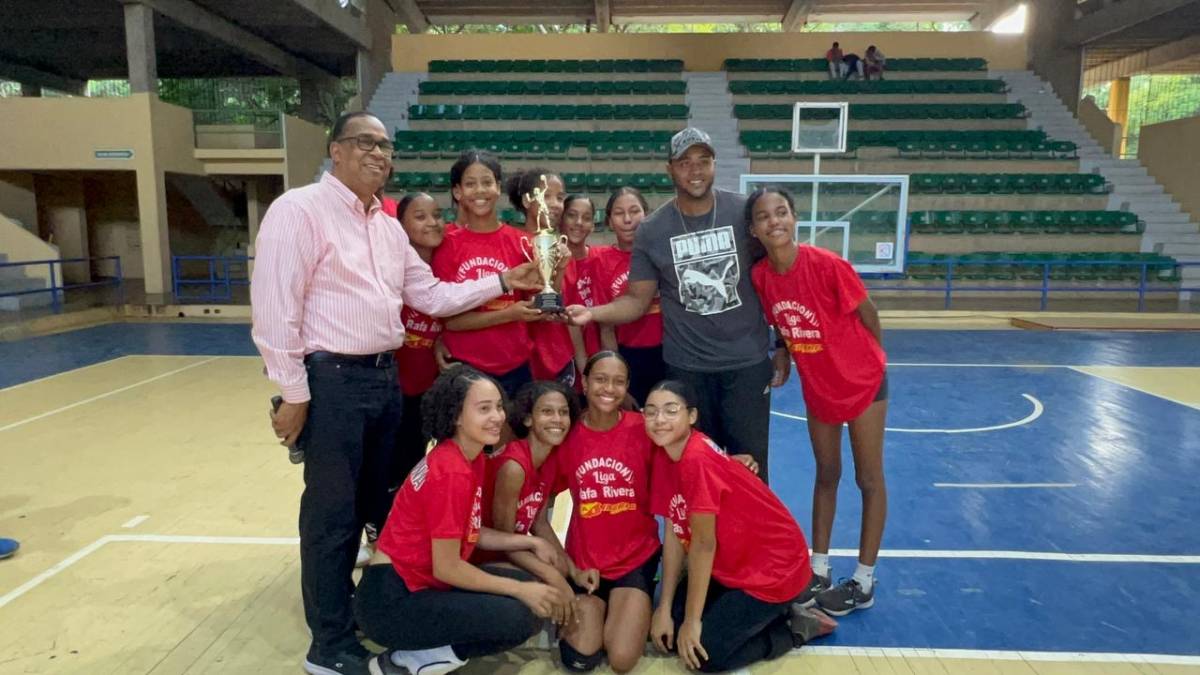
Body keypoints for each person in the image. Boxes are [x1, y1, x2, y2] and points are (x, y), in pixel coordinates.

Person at [250, 113, 542, 675]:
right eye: (366, 143)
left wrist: (505, 281)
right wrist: (293, 392)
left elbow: (430, 294)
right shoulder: (299, 210)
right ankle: (329, 646)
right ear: (336, 150)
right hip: (331, 379)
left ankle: (360, 616)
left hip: (383, 382)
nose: (379, 154)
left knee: (370, 511)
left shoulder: (385, 226)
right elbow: (275, 308)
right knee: (331, 518)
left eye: (386, 146)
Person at [566, 128, 789, 481]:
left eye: (703, 161)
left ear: (715, 165)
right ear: (670, 169)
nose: (695, 170)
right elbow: (637, 300)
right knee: (697, 472)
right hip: (689, 369)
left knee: (751, 474)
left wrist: (782, 342)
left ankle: (745, 538)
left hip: (746, 365)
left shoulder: (744, 212)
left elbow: (774, 279)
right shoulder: (653, 230)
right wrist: (591, 313)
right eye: (685, 163)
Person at [354, 366, 566, 675]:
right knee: (518, 617)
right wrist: (519, 591)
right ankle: (407, 661)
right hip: (392, 601)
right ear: (455, 415)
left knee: (529, 590)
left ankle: (422, 650)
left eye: (498, 406)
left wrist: (530, 540)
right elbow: (448, 567)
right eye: (483, 409)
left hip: (418, 586)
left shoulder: (468, 456)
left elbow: (471, 532)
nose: (497, 416)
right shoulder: (451, 471)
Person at [747, 187, 888, 617]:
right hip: (818, 387)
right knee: (826, 474)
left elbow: (870, 316)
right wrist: (785, 351)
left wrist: (868, 363)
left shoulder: (828, 265)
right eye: (765, 216)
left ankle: (864, 579)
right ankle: (819, 566)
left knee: (868, 478)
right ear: (753, 229)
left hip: (863, 383)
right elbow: (778, 322)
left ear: (795, 218)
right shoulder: (761, 277)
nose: (775, 222)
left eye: (782, 212)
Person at [646, 380, 834, 672]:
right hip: (733, 563)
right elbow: (674, 528)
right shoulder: (665, 453)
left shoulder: (696, 461)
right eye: (651, 412)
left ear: (692, 416)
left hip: (774, 568)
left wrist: (693, 623)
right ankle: (768, 614)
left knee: (703, 655)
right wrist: (664, 607)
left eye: (671, 411)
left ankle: (793, 629)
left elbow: (703, 544)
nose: (659, 420)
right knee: (670, 635)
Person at [545, 351, 660, 673]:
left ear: (627, 387)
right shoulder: (568, 436)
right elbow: (537, 509)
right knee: (580, 659)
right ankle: (599, 608)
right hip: (585, 564)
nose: (609, 388)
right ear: (584, 382)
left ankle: (629, 606)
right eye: (600, 379)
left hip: (635, 558)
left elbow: (688, 452)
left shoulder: (644, 430)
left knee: (622, 659)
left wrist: (726, 459)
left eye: (618, 381)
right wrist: (565, 567)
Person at [472, 381, 596, 638]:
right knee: (550, 580)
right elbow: (503, 543)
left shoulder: (549, 458)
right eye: (547, 412)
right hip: (480, 556)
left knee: (558, 567)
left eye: (563, 412)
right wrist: (556, 579)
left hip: (511, 549)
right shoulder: (514, 467)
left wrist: (573, 570)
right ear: (528, 419)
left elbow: (538, 522)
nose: (558, 419)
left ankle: (549, 626)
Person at [433, 150, 541, 398]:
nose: (480, 190)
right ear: (457, 192)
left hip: (515, 366)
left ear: (498, 187)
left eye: (487, 182)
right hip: (465, 368)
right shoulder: (447, 244)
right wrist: (509, 314)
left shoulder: (523, 242)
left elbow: (539, 302)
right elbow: (453, 321)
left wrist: (556, 274)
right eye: (470, 184)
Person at [590, 187, 663, 406]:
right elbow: (606, 326)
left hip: (670, 353)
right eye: (619, 213)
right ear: (610, 221)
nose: (628, 219)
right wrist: (617, 375)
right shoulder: (602, 261)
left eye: (634, 211)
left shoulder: (661, 254)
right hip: (628, 356)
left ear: (646, 214)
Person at [506, 169, 577, 385]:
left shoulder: (563, 249)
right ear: (527, 201)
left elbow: (558, 303)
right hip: (517, 355)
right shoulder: (510, 242)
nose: (555, 204)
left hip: (557, 353)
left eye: (560, 197)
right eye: (546, 195)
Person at [560, 194, 602, 377]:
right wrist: (584, 369)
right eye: (572, 215)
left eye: (586, 218)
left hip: (598, 357)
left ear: (593, 225)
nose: (579, 222)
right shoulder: (553, 262)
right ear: (561, 219)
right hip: (564, 359)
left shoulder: (601, 258)